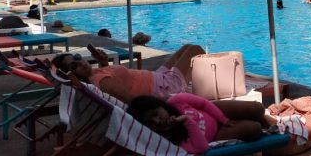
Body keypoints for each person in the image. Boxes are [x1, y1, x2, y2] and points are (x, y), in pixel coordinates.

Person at [53, 43, 204, 103]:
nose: (80, 63)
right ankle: (207, 90)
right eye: (74, 66)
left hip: (157, 78)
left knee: (186, 48)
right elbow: (130, 101)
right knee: (195, 51)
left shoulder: (95, 74)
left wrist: (103, 63)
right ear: (73, 74)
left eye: (77, 58)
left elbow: (116, 79)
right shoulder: (101, 82)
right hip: (162, 88)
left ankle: (199, 85)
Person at [127, 93, 274, 155]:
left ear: (161, 106)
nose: (157, 121)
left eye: (155, 114)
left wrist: (224, 119)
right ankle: (266, 129)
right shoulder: (171, 140)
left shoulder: (176, 101)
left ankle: (267, 124)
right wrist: (186, 121)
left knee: (257, 108)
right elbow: (202, 147)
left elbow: (203, 103)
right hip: (215, 135)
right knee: (254, 128)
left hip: (215, 113)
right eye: (150, 123)